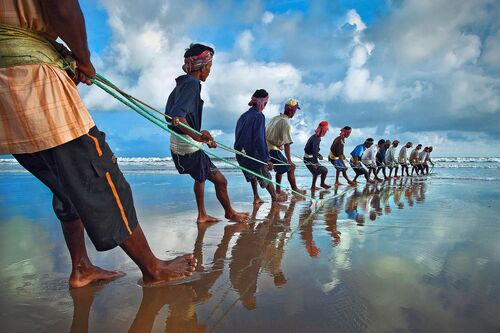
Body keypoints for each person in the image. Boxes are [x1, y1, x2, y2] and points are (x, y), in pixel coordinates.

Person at [0, 0, 196, 288]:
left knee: (64, 187)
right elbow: (62, 7)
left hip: (8, 99)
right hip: (36, 86)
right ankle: (152, 267)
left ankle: (81, 267)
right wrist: (83, 58)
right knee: (103, 178)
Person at [165, 43, 249, 224]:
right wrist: (197, 136)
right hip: (188, 147)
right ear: (201, 66)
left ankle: (202, 214)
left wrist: (200, 133)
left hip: (178, 145)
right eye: (209, 66)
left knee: (200, 176)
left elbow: (175, 117)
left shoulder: (182, 83)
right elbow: (176, 117)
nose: (209, 71)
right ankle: (230, 213)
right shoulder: (192, 84)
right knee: (221, 181)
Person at [234, 89, 287, 204]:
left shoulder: (243, 116)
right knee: (266, 177)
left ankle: (256, 197)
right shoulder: (259, 116)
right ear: (263, 102)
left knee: (252, 174)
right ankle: (274, 198)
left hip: (240, 153)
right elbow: (259, 139)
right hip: (254, 153)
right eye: (266, 103)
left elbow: (238, 134)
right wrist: (266, 159)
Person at [265, 99, 306, 195]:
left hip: (265, 148)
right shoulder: (286, 122)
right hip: (272, 149)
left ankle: (278, 190)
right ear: (293, 111)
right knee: (291, 167)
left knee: (282, 168)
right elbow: (287, 143)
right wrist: (290, 161)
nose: (295, 112)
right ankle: (294, 190)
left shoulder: (276, 117)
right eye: (296, 110)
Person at [303, 121, 331, 190]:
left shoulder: (315, 136)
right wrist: (315, 162)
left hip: (310, 158)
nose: (326, 132)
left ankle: (313, 186)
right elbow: (314, 151)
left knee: (317, 171)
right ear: (323, 130)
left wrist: (319, 155)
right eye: (325, 131)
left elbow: (312, 150)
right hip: (309, 159)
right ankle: (322, 184)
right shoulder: (316, 138)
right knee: (324, 170)